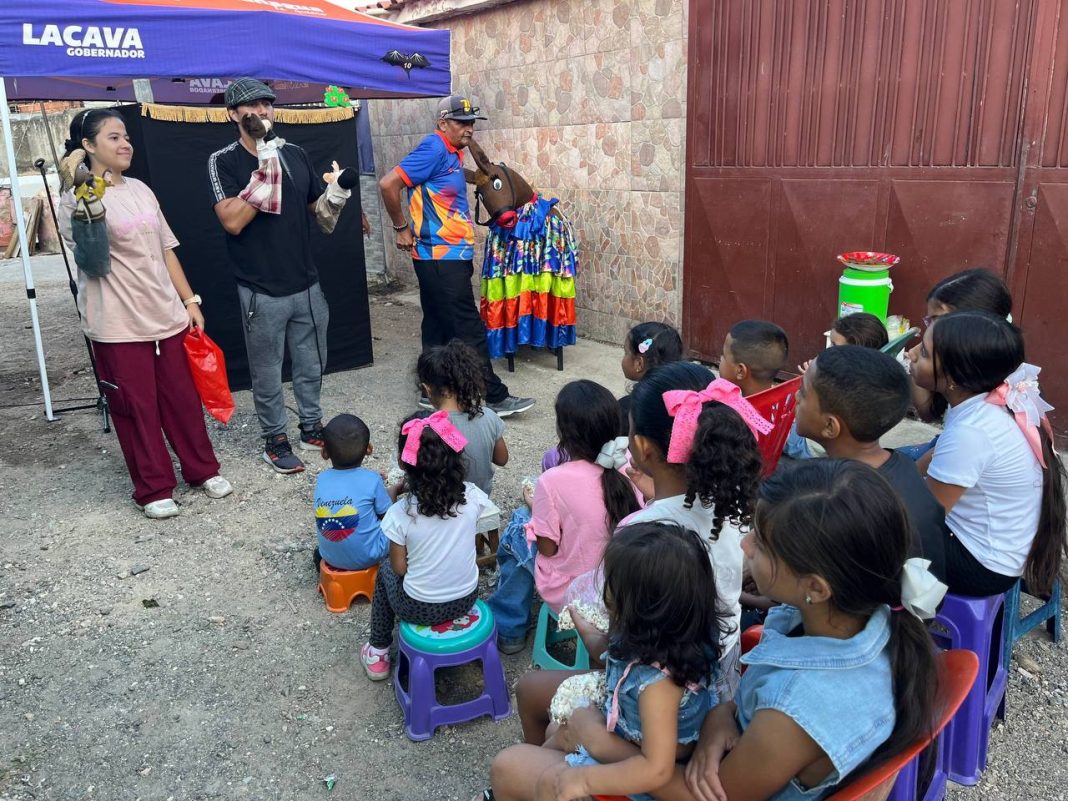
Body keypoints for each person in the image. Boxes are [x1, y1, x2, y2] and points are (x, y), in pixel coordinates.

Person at [58, 109, 232, 520]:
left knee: (182, 401)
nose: (125, 144)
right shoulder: (76, 200)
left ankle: (201, 469)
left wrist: (190, 301)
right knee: (136, 408)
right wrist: (88, 195)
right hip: (117, 324)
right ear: (88, 146)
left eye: (126, 137)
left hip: (166, 315)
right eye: (114, 138)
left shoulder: (141, 189)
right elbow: (91, 258)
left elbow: (166, 249)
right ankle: (153, 486)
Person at [483, 522, 724, 801]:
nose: (605, 593)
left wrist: (583, 779)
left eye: (610, 585)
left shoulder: (659, 684)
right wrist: (585, 627)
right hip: (627, 734)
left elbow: (657, 769)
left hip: (638, 773)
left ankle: (528, 784)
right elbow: (611, 651)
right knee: (558, 732)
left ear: (641, 608)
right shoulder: (671, 631)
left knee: (513, 765)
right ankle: (526, 785)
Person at [208, 77, 357, 474]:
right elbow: (232, 222)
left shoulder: (294, 153)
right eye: (250, 108)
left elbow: (314, 209)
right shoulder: (224, 160)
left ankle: (311, 425)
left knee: (311, 362)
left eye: (266, 106)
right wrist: (265, 168)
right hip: (261, 288)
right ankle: (274, 438)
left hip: (305, 282)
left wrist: (337, 193)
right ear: (233, 115)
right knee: (267, 370)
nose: (261, 113)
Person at [378, 94, 534, 419]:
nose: (469, 128)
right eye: (461, 122)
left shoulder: (451, 153)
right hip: (439, 256)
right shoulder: (433, 147)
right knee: (468, 327)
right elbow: (388, 184)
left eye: (472, 122)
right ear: (442, 123)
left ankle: (429, 391)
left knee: (436, 324)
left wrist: (480, 175)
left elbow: (440, 182)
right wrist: (401, 227)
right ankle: (492, 394)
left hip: (448, 256)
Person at [910, 312, 1066, 597]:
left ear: (953, 377)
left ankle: (882, 625)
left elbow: (923, 517)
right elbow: (934, 459)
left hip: (981, 567)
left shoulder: (973, 431)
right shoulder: (981, 402)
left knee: (860, 532)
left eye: (923, 352)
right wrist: (903, 470)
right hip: (997, 549)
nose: (911, 354)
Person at [487, 381, 641, 654]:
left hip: (574, 592)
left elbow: (548, 548)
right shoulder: (627, 464)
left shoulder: (553, 480)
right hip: (622, 586)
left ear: (564, 431)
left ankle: (510, 630)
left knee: (516, 530)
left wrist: (535, 507)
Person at [794, 346, 948, 580]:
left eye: (803, 393)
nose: (796, 396)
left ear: (830, 427)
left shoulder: (837, 499)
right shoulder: (902, 464)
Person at [360, 410, 490, 680]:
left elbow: (399, 569)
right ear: (455, 457)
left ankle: (378, 650)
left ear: (404, 463)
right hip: (466, 598)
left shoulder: (400, 514)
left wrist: (396, 493)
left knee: (384, 571)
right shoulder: (473, 498)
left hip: (419, 607)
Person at [901, 268, 1013, 462]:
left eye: (935, 319)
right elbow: (929, 413)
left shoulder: (978, 425)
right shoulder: (973, 364)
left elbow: (931, 480)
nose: (930, 326)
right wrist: (913, 363)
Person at [785, 312, 889, 459]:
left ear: (856, 355)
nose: (828, 351)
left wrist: (811, 379)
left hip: (811, 446)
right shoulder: (875, 378)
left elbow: (811, 414)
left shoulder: (843, 384)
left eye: (834, 346)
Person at [418, 339, 508, 495]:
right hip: (481, 501)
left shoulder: (425, 426)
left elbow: (407, 465)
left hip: (441, 504)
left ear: (427, 389)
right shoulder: (489, 416)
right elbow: (502, 459)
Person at [313, 414, 401, 572]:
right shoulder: (372, 480)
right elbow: (388, 518)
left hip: (329, 557)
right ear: (369, 449)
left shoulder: (322, 479)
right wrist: (393, 491)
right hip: (369, 556)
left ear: (324, 453)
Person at [718, 320, 788, 397]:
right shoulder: (781, 403)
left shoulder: (724, 408)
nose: (721, 359)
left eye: (724, 356)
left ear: (740, 371)